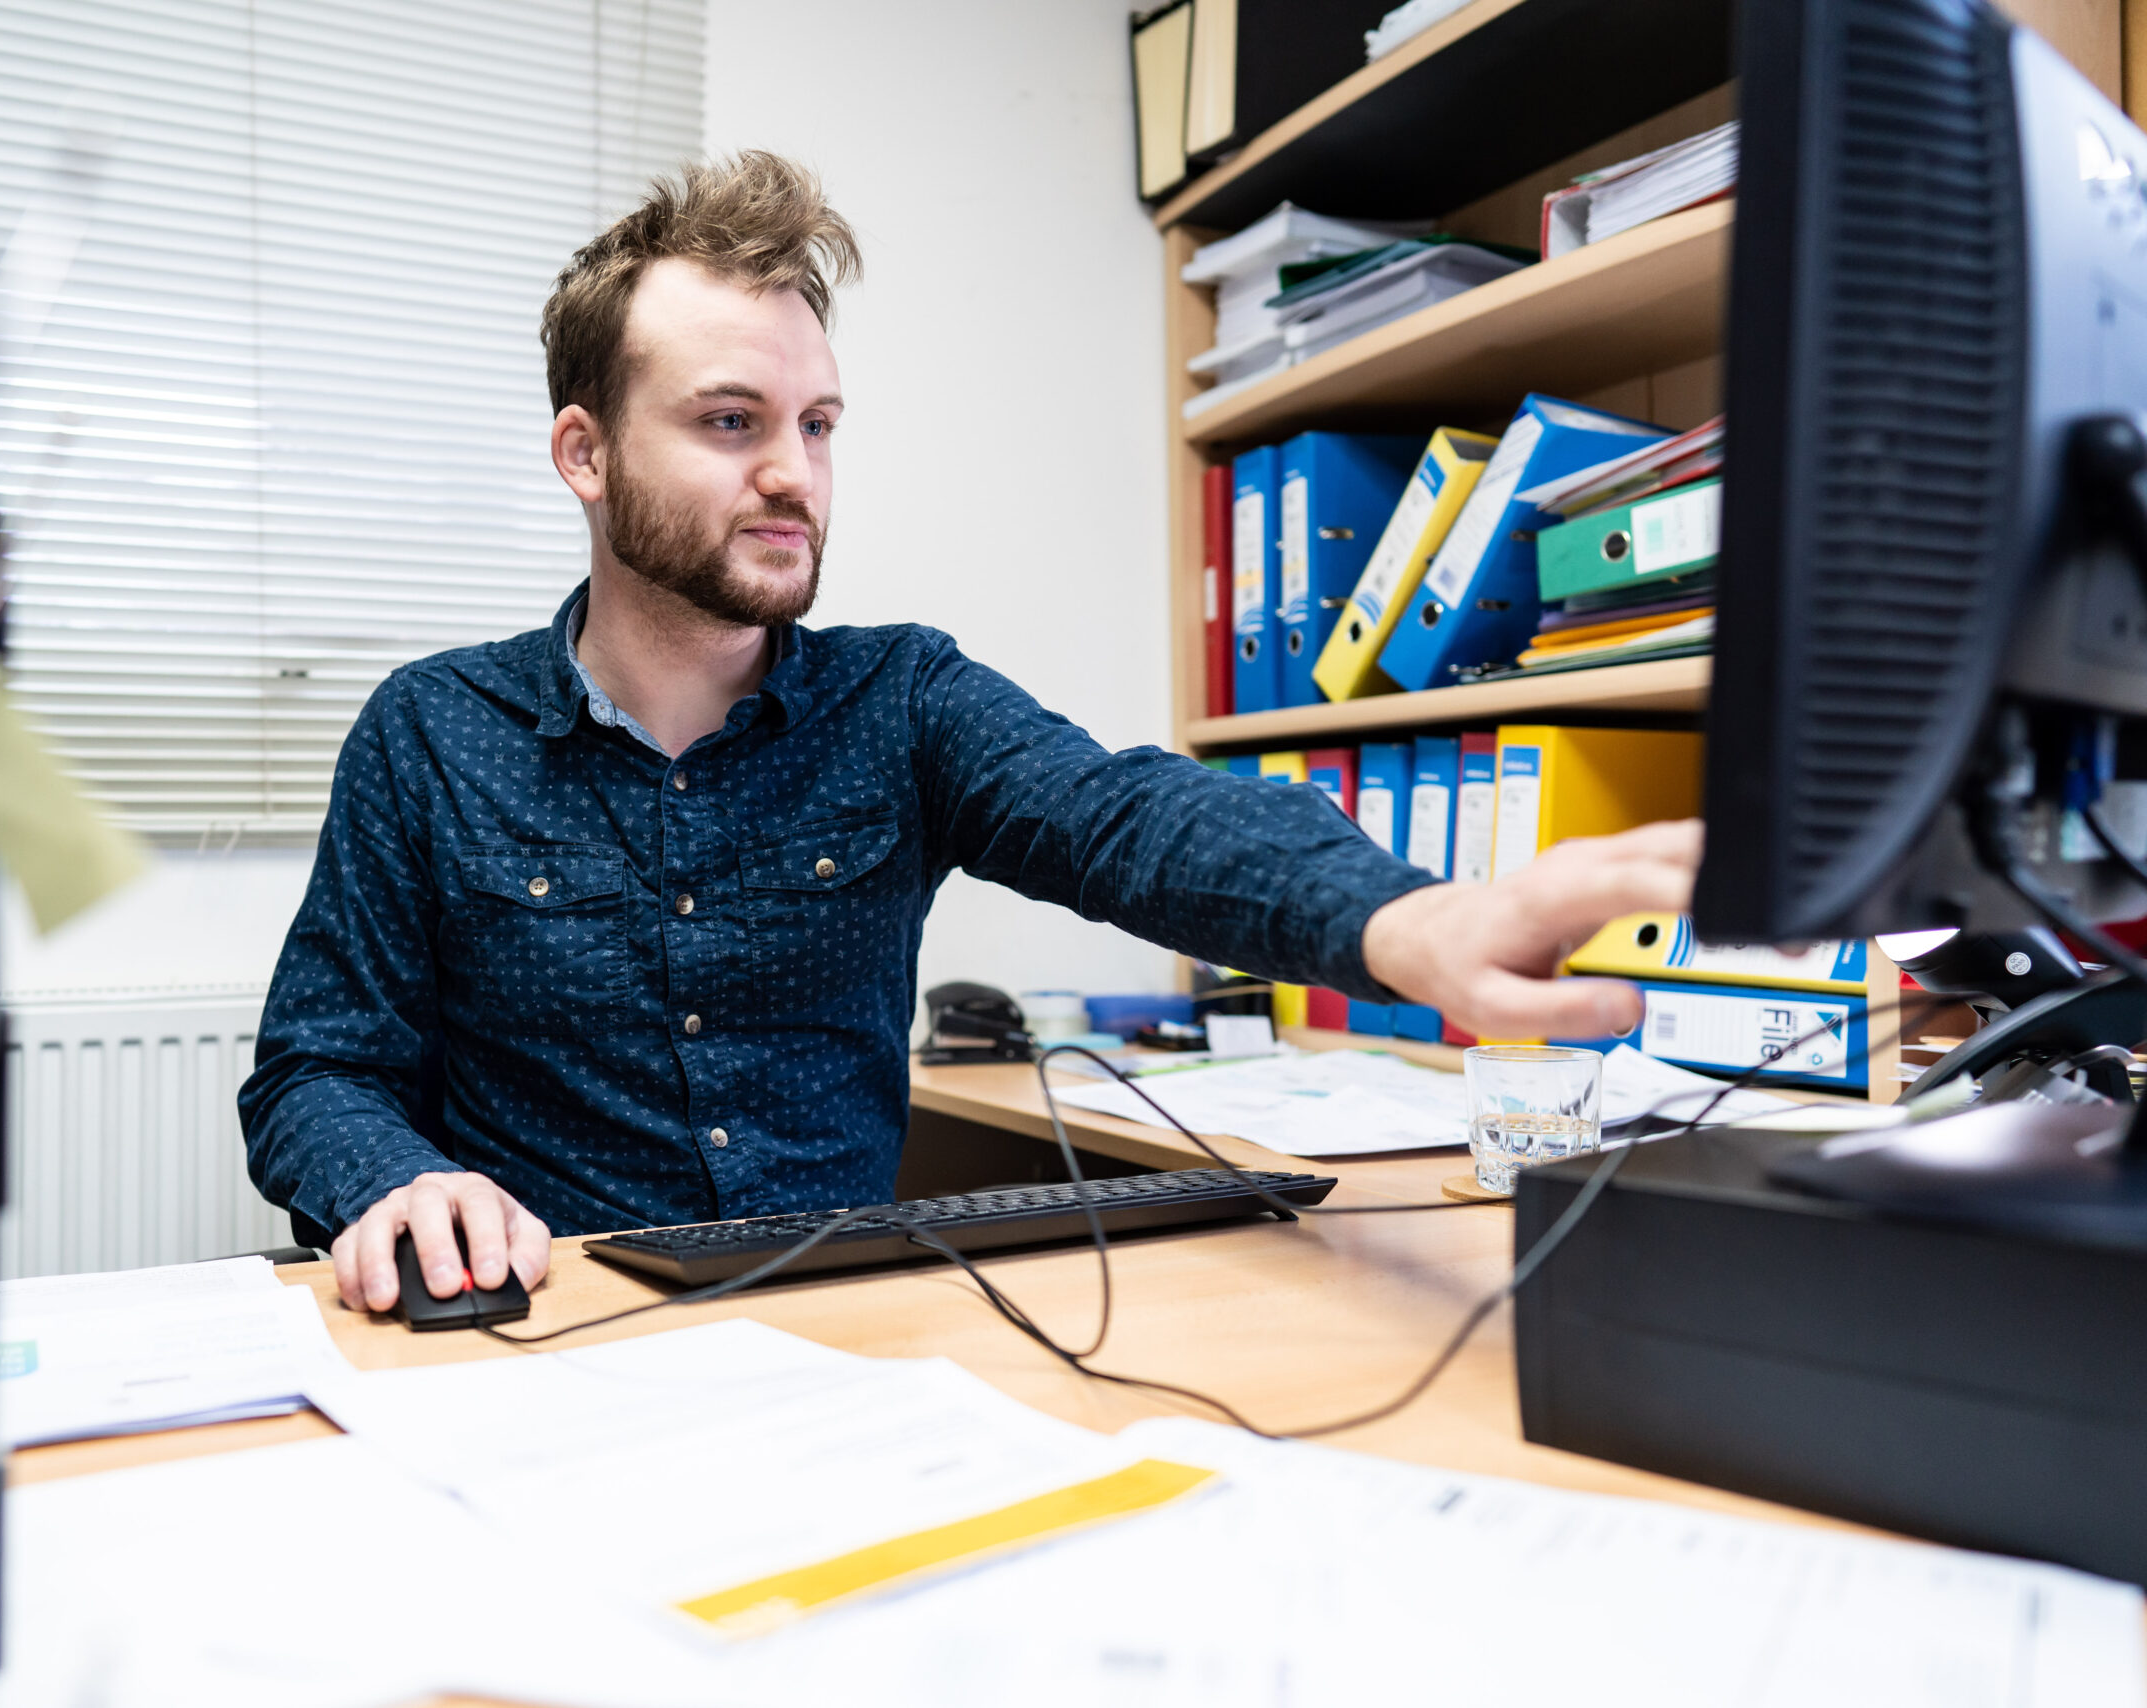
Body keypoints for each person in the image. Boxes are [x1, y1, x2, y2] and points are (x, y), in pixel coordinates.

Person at [237, 152, 1699, 1315]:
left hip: (848, 1346)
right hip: (540, 1343)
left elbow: (1125, 815)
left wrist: (1400, 921)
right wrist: (398, 1182)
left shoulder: (903, 702)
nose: (793, 475)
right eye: (732, 422)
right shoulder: (431, 734)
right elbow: (315, 1074)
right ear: (585, 451)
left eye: (818, 425)